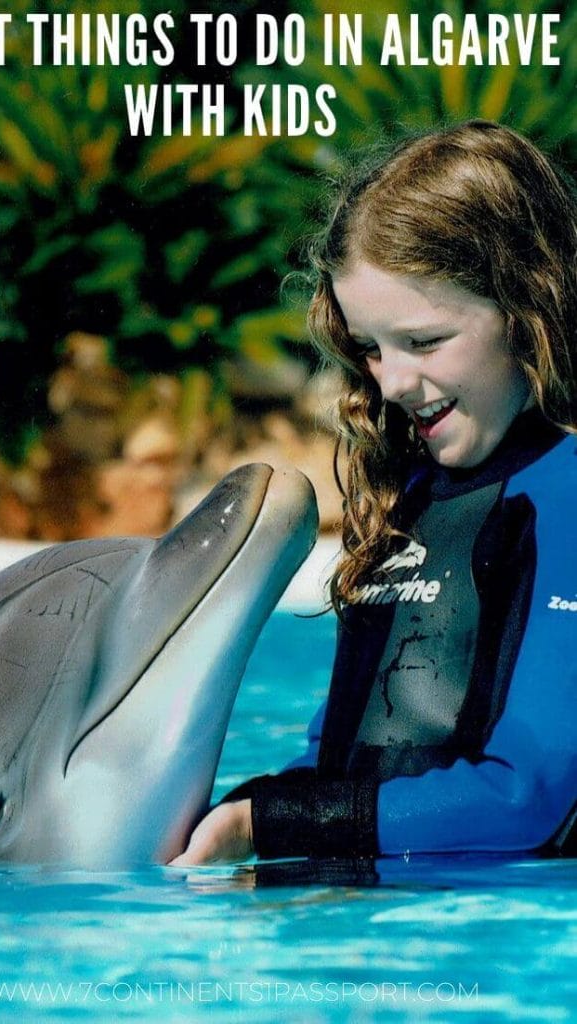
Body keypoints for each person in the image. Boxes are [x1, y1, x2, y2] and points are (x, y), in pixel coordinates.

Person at [170, 120, 577, 867]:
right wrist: (251, 813)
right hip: (393, 937)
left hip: (512, 950)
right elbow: (335, 760)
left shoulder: (565, 495)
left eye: (423, 343)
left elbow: (529, 799)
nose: (389, 382)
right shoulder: (410, 497)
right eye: (369, 348)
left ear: (529, 307)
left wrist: (277, 825)